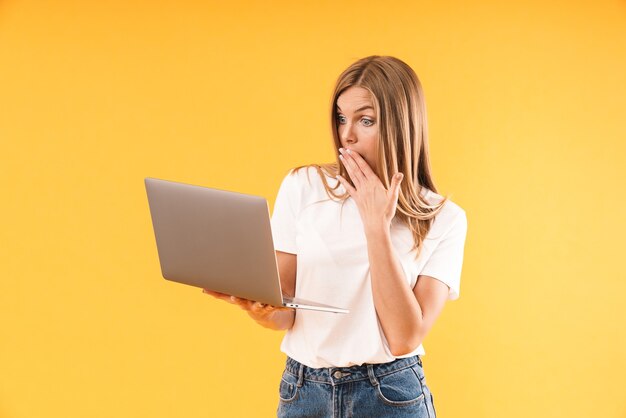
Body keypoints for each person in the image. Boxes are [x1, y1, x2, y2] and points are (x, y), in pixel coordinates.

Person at [203, 55, 468, 418]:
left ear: (402, 125)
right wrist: (259, 310)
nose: (348, 134)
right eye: (341, 118)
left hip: (390, 394)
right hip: (303, 389)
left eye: (366, 120)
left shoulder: (442, 218)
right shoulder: (304, 186)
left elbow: (405, 337)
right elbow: (286, 312)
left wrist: (376, 225)